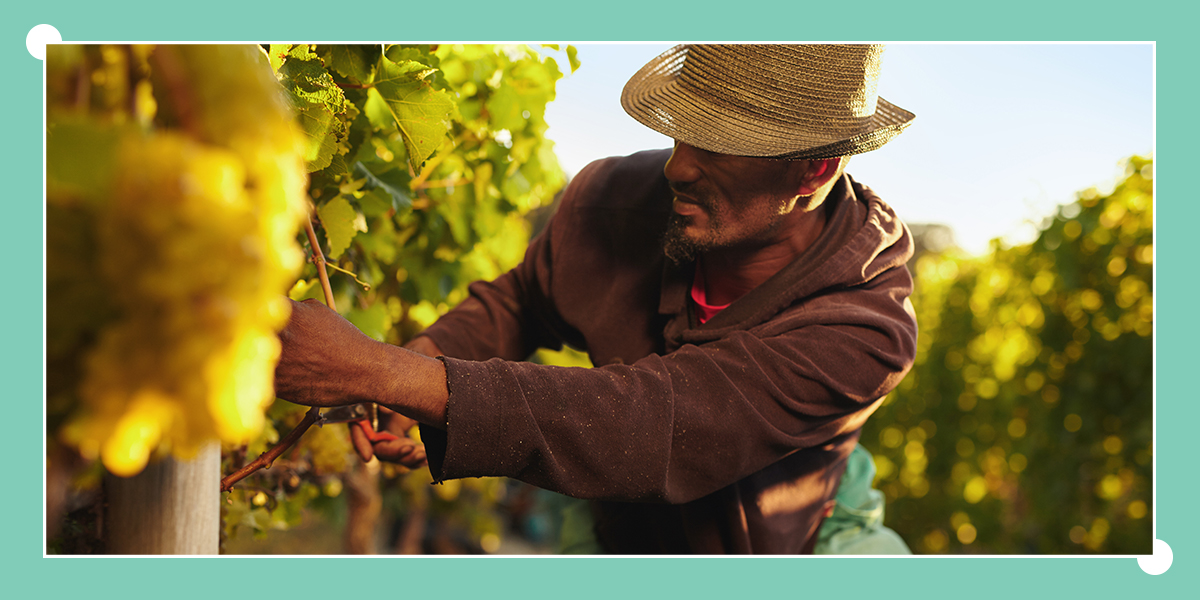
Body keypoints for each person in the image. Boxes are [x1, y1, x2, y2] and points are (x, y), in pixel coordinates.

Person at [274, 44, 918, 554]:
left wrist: (381, 369)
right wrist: (428, 357)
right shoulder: (616, 198)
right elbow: (524, 298)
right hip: (620, 525)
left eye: (719, 142)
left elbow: (657, 425)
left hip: (776, 542)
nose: (677, 167)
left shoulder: (865, 325)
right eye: (682, 128)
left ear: (813, 169)